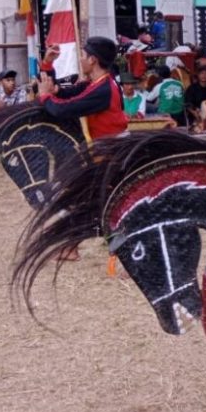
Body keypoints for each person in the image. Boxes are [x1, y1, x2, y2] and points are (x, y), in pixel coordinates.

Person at [38, 37, 129, 261]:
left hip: (111, 155)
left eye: (83, 55)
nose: (80, 59)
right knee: (84, 199)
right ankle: (73, 247)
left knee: (92, 200)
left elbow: (61, 109)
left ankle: (120, 252)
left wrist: (44, 97)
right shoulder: (95, 85)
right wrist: (47, 66)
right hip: (103, 152)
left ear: (93, 60)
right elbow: (61, 93)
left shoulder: (102, 90)